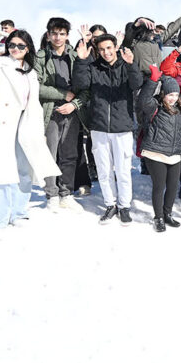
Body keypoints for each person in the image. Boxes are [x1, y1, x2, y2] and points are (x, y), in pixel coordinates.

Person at [0, 30, 60, 241]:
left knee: (24, 170)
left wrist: (38, 129)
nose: (15, 49)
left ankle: (18, 211)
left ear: (28, 48)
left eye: (21, 46)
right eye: (12, 45)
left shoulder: (30, 72)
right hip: (0, 125)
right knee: (1, 174)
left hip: (24, 124)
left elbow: (33, 103)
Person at [72, 32, 143, 226]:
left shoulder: (125, 65)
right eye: (102, 49)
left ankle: (124, 206)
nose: (106, 52)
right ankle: (110, 204)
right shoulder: (93, 67)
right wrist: (81, 61)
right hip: (99, 127)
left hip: (122, 128)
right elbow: (80, 85)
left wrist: (131, 64)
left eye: (109, 48)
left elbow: (137, 84)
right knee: (104, 171)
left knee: (123, 171)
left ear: (115, 47)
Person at [36, 17, 88, 211]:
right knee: (50, 153)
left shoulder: (75, 55)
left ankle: (66, 193)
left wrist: (74, 104)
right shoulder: (41, 57)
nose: (58, 37)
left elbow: (86, 88)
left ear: (67, 35)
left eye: (62, 34)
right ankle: (51, 194)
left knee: (70, 154)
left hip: (72, 112)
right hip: (51, 110)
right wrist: (61, 94)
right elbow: (35, 86)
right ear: (48, 35)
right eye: (54, 33)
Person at [138, 75, 181, 232]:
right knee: (159, 186)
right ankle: (158, 217)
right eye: (170, 94)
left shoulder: (179, 109)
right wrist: (153, 81)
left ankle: (167, 214)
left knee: (172, 186)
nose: (173, 98)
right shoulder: (154, 106)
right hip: (155, 152)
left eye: (176, 95)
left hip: (174, 154)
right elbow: (143, 100)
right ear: (163, 94)